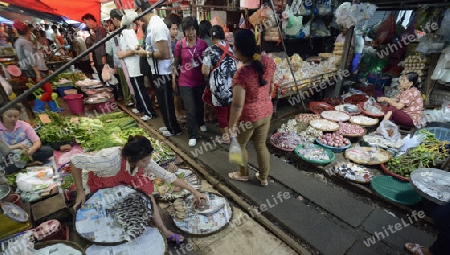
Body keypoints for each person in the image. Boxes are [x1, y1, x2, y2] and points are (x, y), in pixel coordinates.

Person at [70, 135, 206, 247]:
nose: (148, 163)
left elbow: (167, 176)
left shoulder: (143, 160)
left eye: (149, 159)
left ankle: (165, 231)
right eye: (145, 161)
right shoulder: (110, 160)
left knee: (148, 195)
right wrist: (80, 191)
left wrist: (194, 191)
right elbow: (75, 161)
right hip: (105, 183)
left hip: (126, 182)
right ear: (132, 159)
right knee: (109, 214)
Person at [227, 29, 276, 187]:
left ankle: (243, 174)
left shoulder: (242, 74)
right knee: (261, 145)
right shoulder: (268, 61)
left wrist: (231, 125)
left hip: (249, 117)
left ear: (240, 49)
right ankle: (263, 177)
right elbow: (271, 85)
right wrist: (265, 99)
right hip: (267, 111)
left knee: (240, 145)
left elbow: (237, 105)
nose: (232, 48)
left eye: (234, 45)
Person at [135, 0, 182, 137]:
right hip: (158, 70)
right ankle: (169, 125)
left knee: (166, 102)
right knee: (162, 101)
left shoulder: (157, 26)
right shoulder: (152, 25)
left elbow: (164, 53)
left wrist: (146, 53)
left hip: (163, 71)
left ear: (141, 10)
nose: (136, 16)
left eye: (136, 11)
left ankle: (174, 129)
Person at [113, 10, 158, 121]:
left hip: (135, 67)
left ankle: (149, 112)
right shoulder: (124, 32)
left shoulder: (128, 32)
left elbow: (136, 48)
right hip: (131, 67)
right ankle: (140, 107)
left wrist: (123, 54)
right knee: (136, 88)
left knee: (140, 89)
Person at [13, 20, 63, 113]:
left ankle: (54, 108)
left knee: (46, 89)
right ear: (28, 32)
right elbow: (30, 59)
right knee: (48, 90)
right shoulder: (26, 43)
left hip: (27, 69)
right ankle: (38, 107)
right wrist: (37, 73)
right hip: (34, 70)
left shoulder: (18, 42)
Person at [173, 17, 208, 147]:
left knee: (199, 105)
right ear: (184, 31)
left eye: (193, 29)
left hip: (199, 81)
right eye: (188, 30)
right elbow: (175, 62)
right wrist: (173, 77)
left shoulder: (203, 44)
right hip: (184, 82)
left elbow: (207, 62)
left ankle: (201, 122)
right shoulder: (180, 44)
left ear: (196, 30)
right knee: (190, 109)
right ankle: (192, 135)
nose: (191, 32)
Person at [202, 25, 237, 144]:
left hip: (219, 87)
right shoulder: (232, 48)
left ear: (212, 37)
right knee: (231, 110)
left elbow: (205, 71)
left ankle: (226, 137)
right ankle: (232, 132)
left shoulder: (209, 51)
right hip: (233, 86)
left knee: (221, 113)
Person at [0, 103, 53, 173]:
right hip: (10, 158)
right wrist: (15, 146)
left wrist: (32, 149)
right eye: (9, 116)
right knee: (3, 168)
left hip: (28, 154)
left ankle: (23, 165)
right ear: (2, 114)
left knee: (47, 151)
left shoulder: (23, 125)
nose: (13, 119)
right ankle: (28, 165)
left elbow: (36, 141)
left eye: (16, 116)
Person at [165, 15, 186, 123]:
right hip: (171, 71)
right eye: (173, 29)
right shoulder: (168, 43)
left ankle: (179, 111)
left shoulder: (178, 42)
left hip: (179, 70)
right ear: (168, 30)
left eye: (177, 29)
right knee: (175, 94)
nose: (175, 31)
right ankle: (177, 112)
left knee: (178, 93)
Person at [81, 13, 107, 83]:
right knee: (101, 76)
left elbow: (102, 44)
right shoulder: (96, 30)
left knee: (105, 76)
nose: (86, 25)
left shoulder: (100, 29)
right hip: (98, 59)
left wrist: (103, 56)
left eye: (86, 22)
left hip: (101, 59)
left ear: (90, 20)